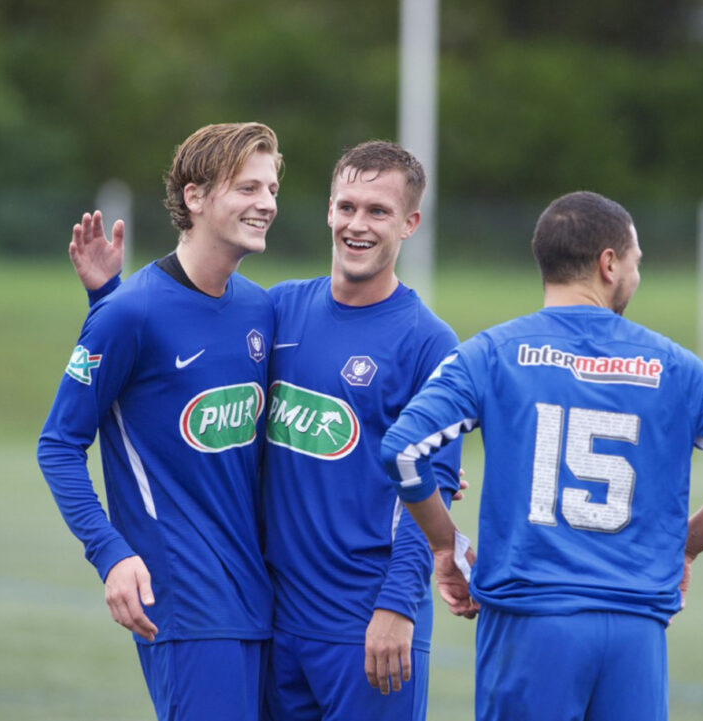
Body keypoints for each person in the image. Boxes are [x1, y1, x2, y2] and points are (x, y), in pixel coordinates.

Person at [73, 140, 462, 720]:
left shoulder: (430, 344)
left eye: (378, 211)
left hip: (370, 628)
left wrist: (399, 606)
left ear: (410, 223)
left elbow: (432, 490)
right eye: (348, 206)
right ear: (329, 209)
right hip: (276, 628)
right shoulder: (278, 312)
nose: (359, 224)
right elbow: (173, 357)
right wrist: (107, 300)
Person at [380, 190, 703, 721]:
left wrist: (444, 545)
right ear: (608, 263)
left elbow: (403, 452)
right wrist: (682, 548)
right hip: (635, 631)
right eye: (636, 263)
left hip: (529, 623)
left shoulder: (491, 353)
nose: (636, 277)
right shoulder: (675, 366)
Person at [37, 121, 283, 721]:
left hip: (263, 595)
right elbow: (58, 445)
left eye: (272, 188)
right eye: (248, 188)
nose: (268, 204)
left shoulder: (259, 307)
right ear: (195, 197)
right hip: (186, 598)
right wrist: (111, 554)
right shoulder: (130, 312)